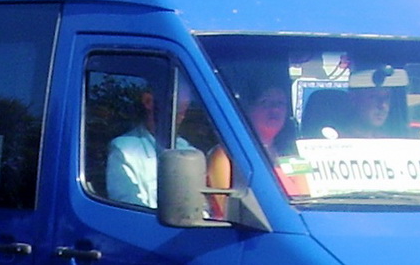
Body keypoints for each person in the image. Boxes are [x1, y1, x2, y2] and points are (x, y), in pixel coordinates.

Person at [207, 81, 290, 215]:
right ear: (248, 109)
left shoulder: (292, 154)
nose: (275, 109)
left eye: (280, 103)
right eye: (265, 102)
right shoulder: (226, 156)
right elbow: (227, 212)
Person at [106, 89, 191, 208]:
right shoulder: (124, 149)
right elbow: (128, 208)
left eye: (185, 108)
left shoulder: (188, 149)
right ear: (148, 101)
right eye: (175, 105)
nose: (181, 115)